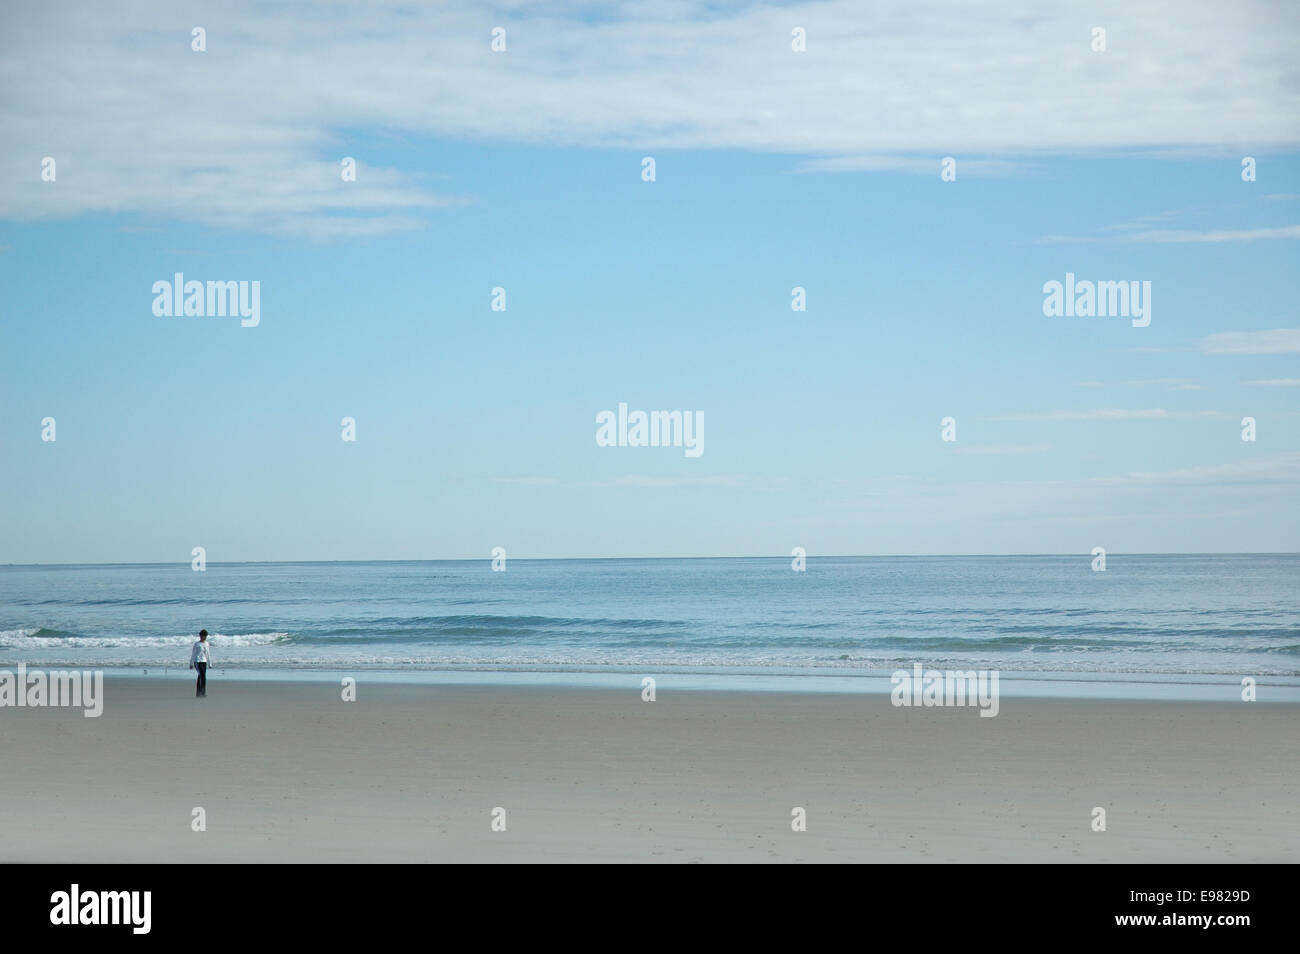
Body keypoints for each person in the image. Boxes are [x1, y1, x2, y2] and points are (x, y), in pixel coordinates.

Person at [189, 629, 212, 698]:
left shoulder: (207, 643)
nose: (203, 637)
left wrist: (209, 663)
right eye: (202, 636)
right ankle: (200, 692)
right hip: (197, 661)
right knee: (201, 675)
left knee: (202, 676)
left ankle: (201, 692)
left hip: (204, 662)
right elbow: (193, 654)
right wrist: (191, 663)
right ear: (200, 636)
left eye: (205, 636)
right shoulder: (197, 644)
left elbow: (208, 654)